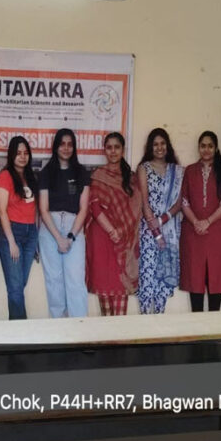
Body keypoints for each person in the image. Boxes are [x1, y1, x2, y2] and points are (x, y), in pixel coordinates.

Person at [86, 132, 142, 316]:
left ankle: (120, 335)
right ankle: (106, 335)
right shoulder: (98, 175)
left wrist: (120, 231)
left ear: (123, 150)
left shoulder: (131, 178)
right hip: (102, 238)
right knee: (104, 294)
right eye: (109, 147)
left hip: (124, 240)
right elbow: (95, 207)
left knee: (120, 291)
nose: (113, 151)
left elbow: (137, 208)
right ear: (104, 150)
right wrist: (112, 231)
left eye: (117, 147)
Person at [37, 129, 91, 318]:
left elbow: (84, 208)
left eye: (70, 144)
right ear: (56, 146)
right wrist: (58, 238)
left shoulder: (81, 172)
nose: (66, 148)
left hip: (73, 226)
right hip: (50, 228)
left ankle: (79, 328)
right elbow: (43, 209)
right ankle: (58, 328)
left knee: (75, 280)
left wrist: (70, 236)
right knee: (54, 281)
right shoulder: (46, 172)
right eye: (62, 144)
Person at [180, 131, 221, 313]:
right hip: (193, 233)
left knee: (215, 277)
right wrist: (196, 222)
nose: (206, 149)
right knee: (195, 278)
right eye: (203, 146)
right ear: (198, 148)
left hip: (217, 232)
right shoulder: (190, 171)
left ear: (216, 148)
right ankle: (197, 325)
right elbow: (184, 200)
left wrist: (207, 222)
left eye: (210, 146)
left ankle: (214, 325)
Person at [136, 128, 184, 314]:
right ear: (150, 147)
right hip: (149, 232)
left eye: (162, 143)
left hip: (170, 231)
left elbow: (179, 202)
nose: (159, 147)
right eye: (155, 144)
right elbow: (144, 202)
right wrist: (156, 233)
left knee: (163, 281)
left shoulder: (177, 171)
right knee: (148, 277)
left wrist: (163, 219)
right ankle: (145, 321)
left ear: (167, 146)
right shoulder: (144, 168)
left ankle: (160, 321)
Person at [0, 136, 38, 320]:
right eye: (18, 153)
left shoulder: (30, 176)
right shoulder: (5, 176)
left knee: (19, 284)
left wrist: (35, 240)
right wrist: (11, 242)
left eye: (25, 153)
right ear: (11, 155)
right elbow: (1, 210)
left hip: (30, 233)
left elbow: (34, 209)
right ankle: (21, 332)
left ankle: (15, 327)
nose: (22, 156)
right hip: (11, 233)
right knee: (15, 288)